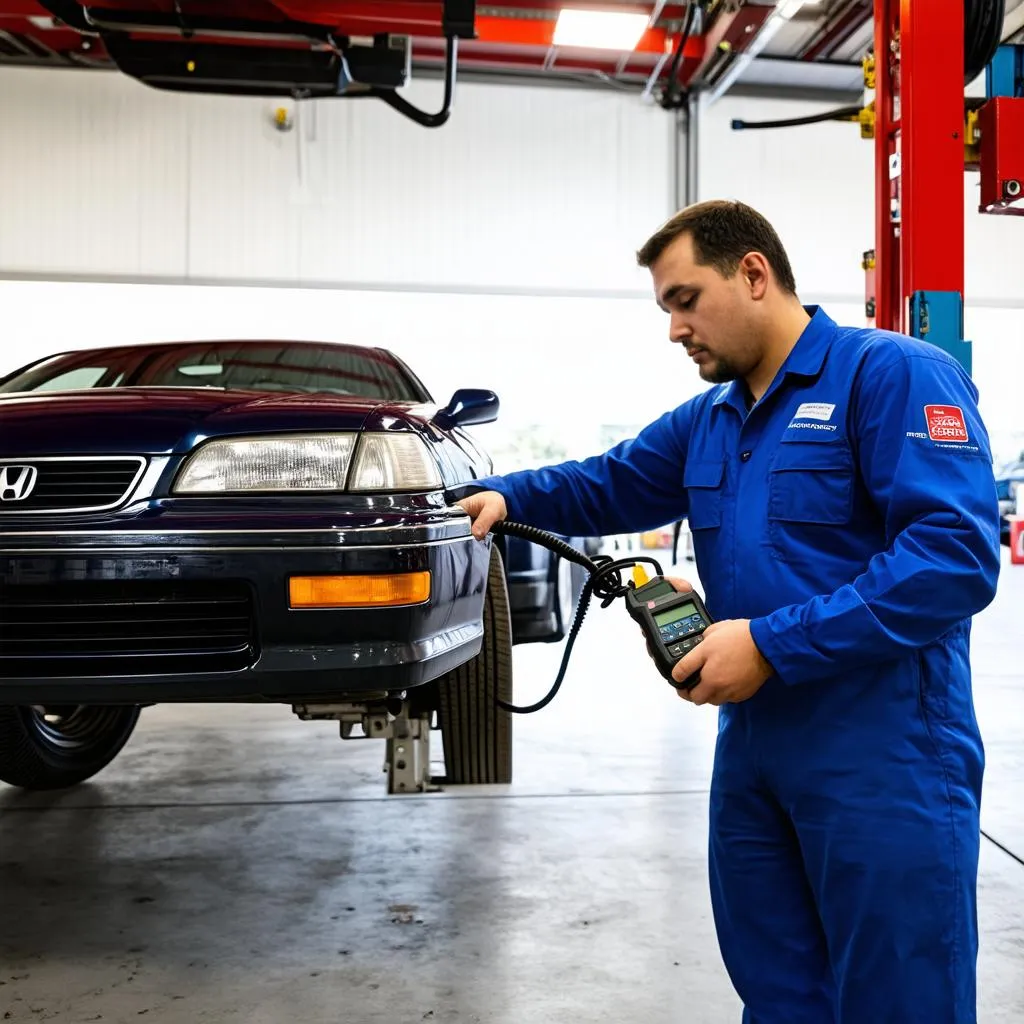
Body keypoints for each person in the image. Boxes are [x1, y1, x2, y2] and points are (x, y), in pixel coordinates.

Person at [452, 200, 1002, 1023]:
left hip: (886, 755)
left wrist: (772, 646)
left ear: (753, 273)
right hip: (754, 751)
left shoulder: (890, 375)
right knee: (780, 993)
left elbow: (952, 559)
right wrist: (500, 493)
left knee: (900, 994)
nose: (675, 329)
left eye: (684, 299)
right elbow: (605, 481)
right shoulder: (711, 419)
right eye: (666, 307)